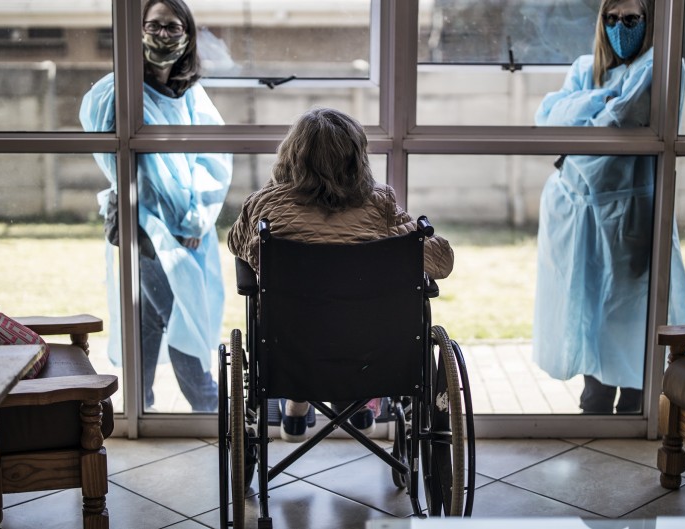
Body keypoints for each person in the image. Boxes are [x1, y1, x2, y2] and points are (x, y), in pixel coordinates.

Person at [227, 107, 454, 441]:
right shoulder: (381, 205)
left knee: (301, 321)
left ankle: (297, 404)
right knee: (355, 320)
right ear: (357, 159)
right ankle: (357, 401)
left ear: (291, 155)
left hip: (291, 351)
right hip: (372, 353)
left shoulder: (263, 206)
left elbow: (236, 244)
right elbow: (442, 263)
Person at [531, 0, 685, 414]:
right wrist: (604, 97)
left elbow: (621, 123)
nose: (619, 28)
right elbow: (547, 120)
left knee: (631, 317)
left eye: (631, 20)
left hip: (629, 212)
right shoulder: (585, 68)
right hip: (577, 213)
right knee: (587, 311)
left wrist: (584, 121)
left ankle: (635, 411)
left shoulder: (662, 65)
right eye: (610, 19)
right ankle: (596, 405)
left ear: (651, 22)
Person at [80, 0, 233, 412]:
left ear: (187, 36)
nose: (163, 36)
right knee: (181, 312)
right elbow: (123, 159)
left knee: (151, 319)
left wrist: (196, 218)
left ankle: (138, 406)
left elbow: (214, 158)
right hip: (142, 225)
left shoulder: (188, 94)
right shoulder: (119, 91)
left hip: (185, 226)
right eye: (154, 26)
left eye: (173, 28)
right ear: (138, 31)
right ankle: (210, 405)